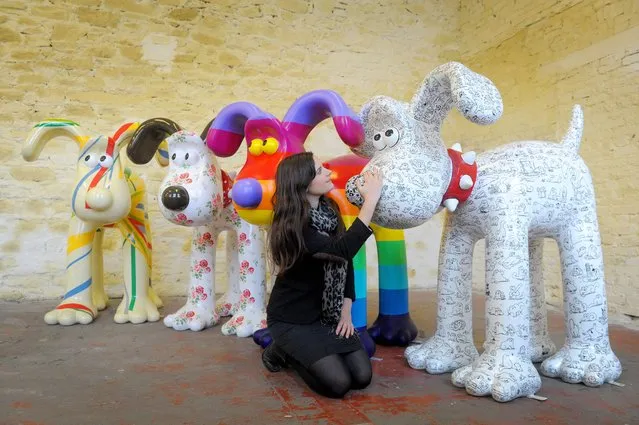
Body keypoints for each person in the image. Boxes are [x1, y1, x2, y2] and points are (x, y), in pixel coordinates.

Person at [261, 151, 383, 399]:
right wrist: (371, 200)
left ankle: (310, 351)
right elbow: (342, 249)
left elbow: (344, 260)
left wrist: (345, 312)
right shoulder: (293, 227)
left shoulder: (330, 210)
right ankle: (283, 351)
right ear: (302, 183)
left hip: (325, 316)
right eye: (319, 171)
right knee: (338, 384)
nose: (328, 172)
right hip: (291, 319)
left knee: (362, 377)